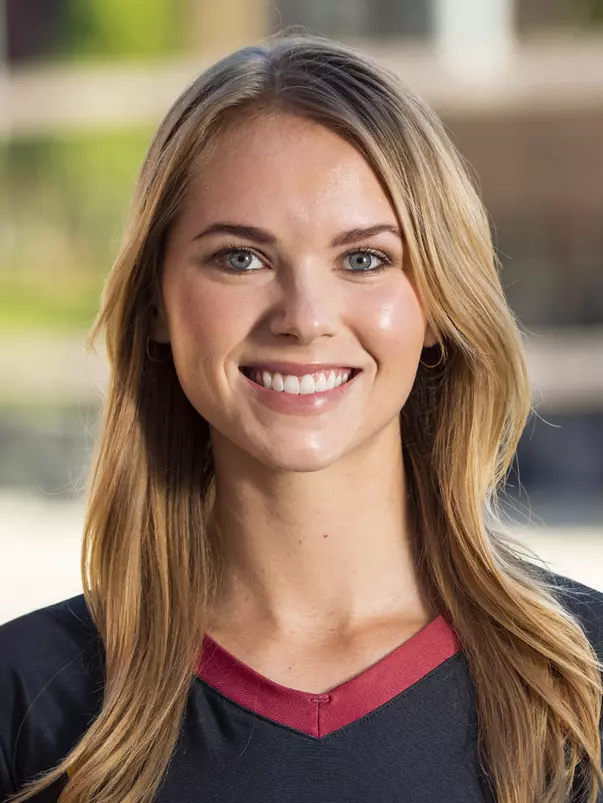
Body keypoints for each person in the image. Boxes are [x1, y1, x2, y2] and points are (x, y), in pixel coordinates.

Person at [1, 32, 602, 803]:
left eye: (363, 259)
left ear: (436, 306)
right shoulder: (28, 702)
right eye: (240, 257)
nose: (304, 316)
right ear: (155, 302)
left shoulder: (581, 687)